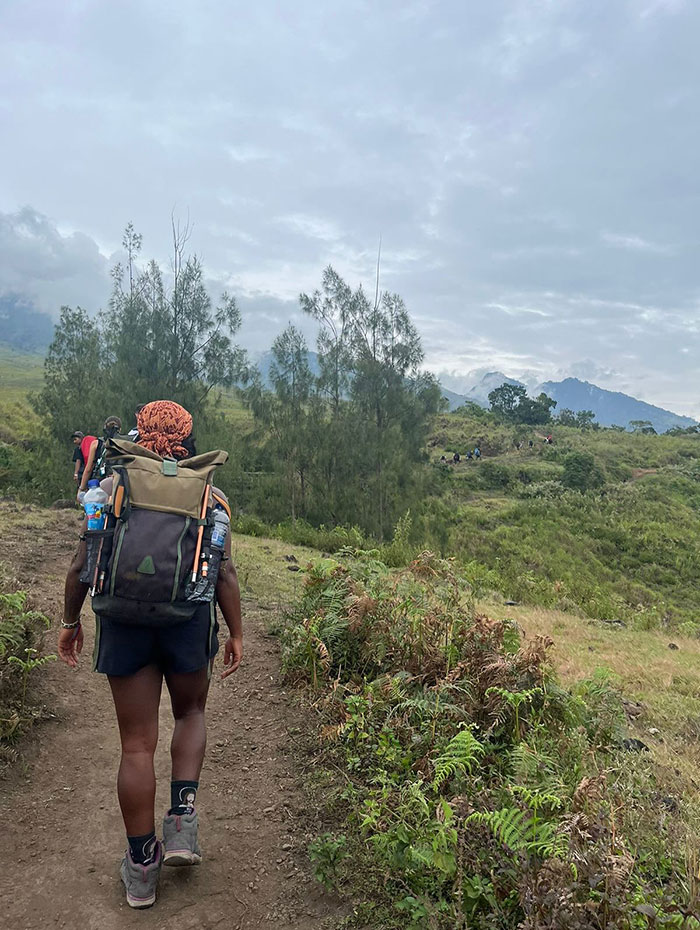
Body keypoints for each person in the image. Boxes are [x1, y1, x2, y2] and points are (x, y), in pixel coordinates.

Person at [58, 400, 243, 909]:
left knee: (136, 746)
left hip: (123, 621)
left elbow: (81, 565)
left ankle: (141, 869)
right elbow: (224, 573)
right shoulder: (213, 496)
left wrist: (71, 623)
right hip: (187, 621)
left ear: (142, 433)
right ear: (186, 439)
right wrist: (237, 632)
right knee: (191, 712)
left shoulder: (111, 487)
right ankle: (182, 827)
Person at [77, 416, 123, 497]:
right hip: (119, 483)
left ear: (105, 427)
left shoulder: (96, 443)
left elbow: (88, 468)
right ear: (120, 429)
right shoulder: (124, 443)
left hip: (99, 484)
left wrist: (81, 489)